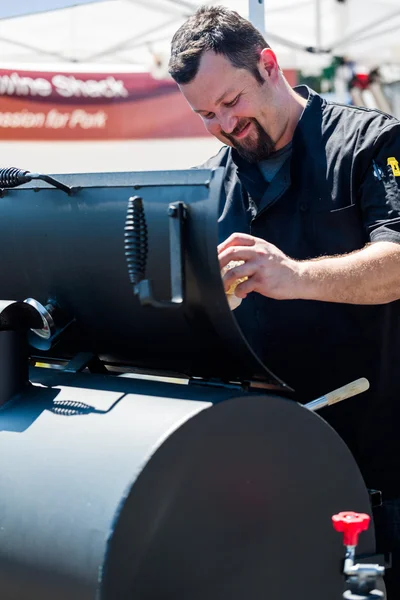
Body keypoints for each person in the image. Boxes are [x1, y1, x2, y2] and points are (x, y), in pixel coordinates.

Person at [168, 4, 400, 597]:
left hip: (379, 456)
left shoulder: (370, 143)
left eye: (231, 103)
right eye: (205, 115)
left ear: (269, 66)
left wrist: (294, 275)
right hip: (267, 465)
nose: (224, 124)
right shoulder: (207, 182)